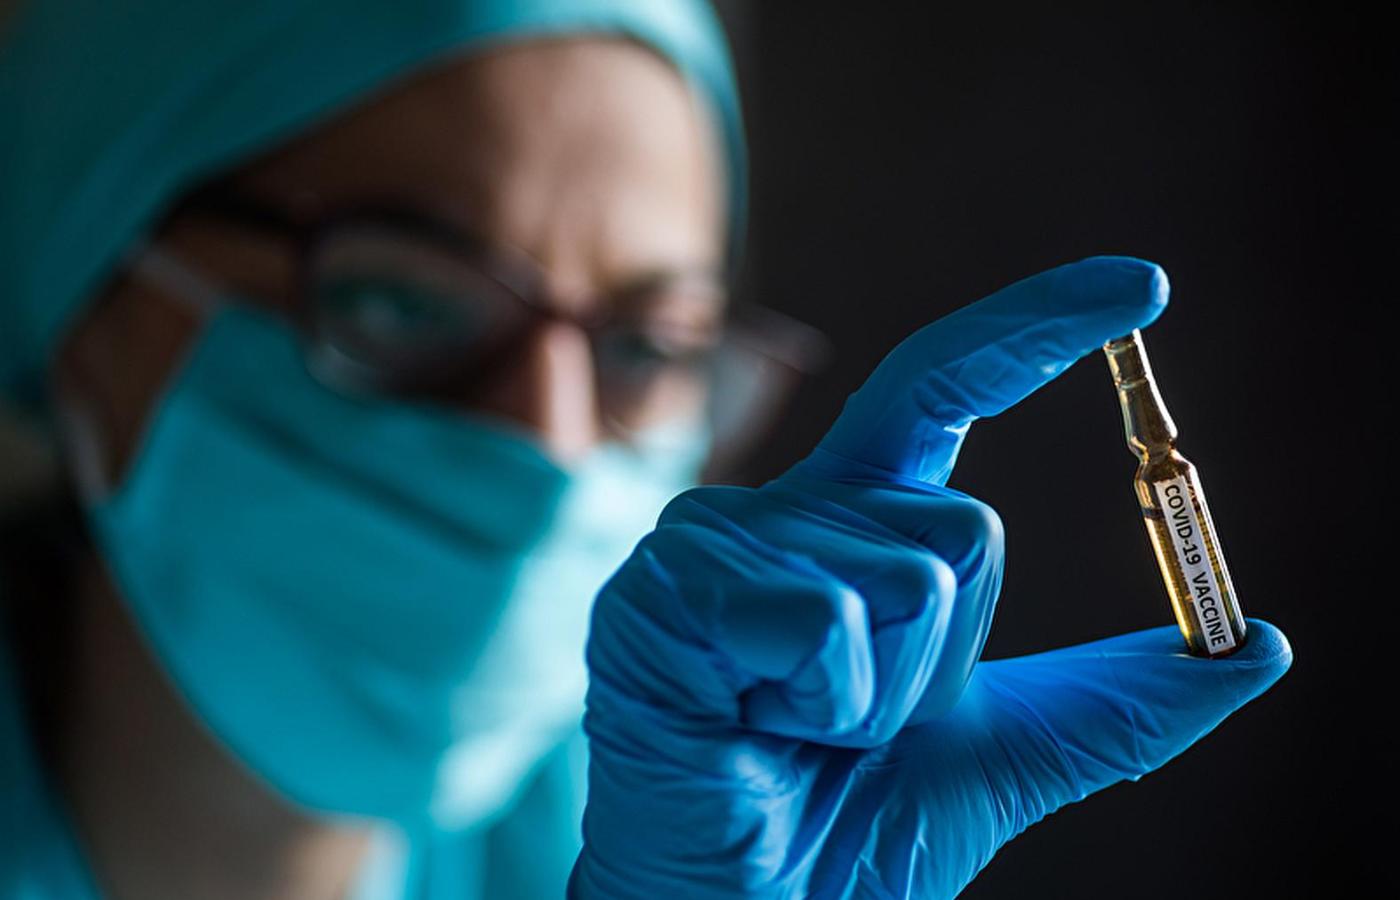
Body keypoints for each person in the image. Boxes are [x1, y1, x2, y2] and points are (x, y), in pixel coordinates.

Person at [0, 2, 1292, 898]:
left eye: (646, 349)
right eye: (402, 300)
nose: (550, 450)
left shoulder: (662, 838)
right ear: (84, 311)